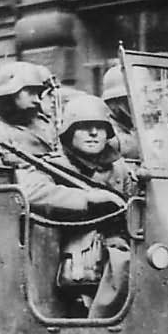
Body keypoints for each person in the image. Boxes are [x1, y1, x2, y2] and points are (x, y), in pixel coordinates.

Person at [47, 95, 134, 319]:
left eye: (100, 127)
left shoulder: (119, 168)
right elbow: (34, 191)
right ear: (69, 132)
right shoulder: (54, 165)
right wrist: (87, 199)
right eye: (84, 127)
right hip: (74, 255)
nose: (94, 133)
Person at [0, 61, 57, 164]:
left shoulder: (45, 125)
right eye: (31, 92)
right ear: (9, 93)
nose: (37, 100)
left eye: (38, 93)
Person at [100, 65, 141, 162]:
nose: (142, 103)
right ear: (113, 103)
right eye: (134, 98)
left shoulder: (140, 125)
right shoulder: (105, 130)